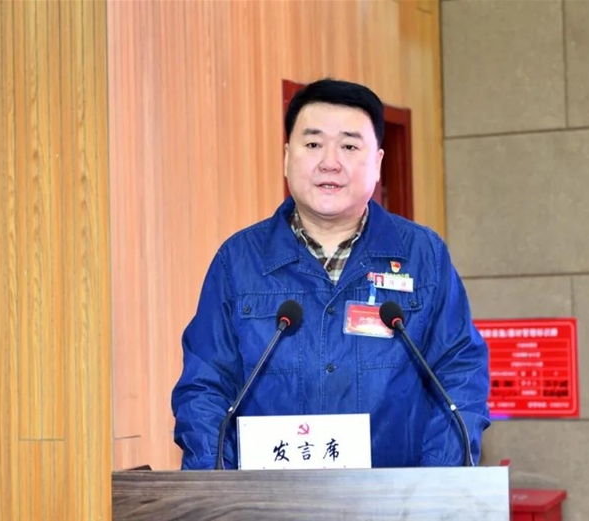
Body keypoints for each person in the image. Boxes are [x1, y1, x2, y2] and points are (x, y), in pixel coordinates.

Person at [171, 78, 490, 470]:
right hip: (267, 501)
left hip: (396, 500)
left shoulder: (424, 257)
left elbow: (459, 376)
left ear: (378, 162)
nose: (330, 162)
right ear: (286, 157)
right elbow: (205, 389)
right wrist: (221, 491)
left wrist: (434, 488)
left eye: (349, 146)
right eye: (313, 144)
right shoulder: (238, 261)